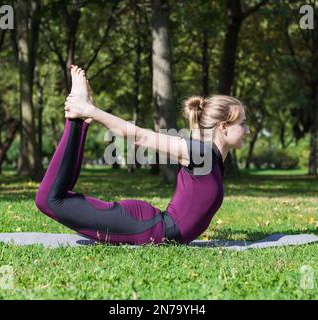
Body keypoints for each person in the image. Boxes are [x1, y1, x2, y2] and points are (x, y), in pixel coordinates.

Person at [35, 65, 250, 245]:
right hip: (147, 229)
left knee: (55, 198)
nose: (247, 130)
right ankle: (78, 114)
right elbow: (139, 137)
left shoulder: (210, 158)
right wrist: (92, 112)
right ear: (223, 127)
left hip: (149, 228)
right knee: (49, 200)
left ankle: (79, 118)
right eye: (243, 124)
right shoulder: (201, 153)